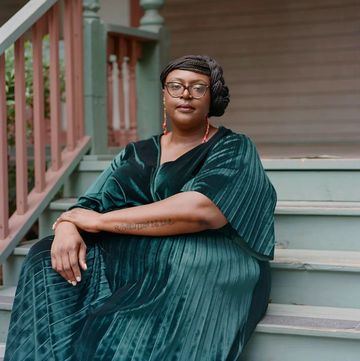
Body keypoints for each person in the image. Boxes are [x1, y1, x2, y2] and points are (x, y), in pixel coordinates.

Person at [4, 55, 277, 361]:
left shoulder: (233, 147)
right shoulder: (137, 152)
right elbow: (89, 205)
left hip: (207, 254)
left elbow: (202, 210)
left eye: (198, 88)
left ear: (212, 96)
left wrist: (102, 222)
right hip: (136, 254)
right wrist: (66, 226)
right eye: (176, 86)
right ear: (164, 95)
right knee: (44, 256)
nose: (185, 94)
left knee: (181, 261)